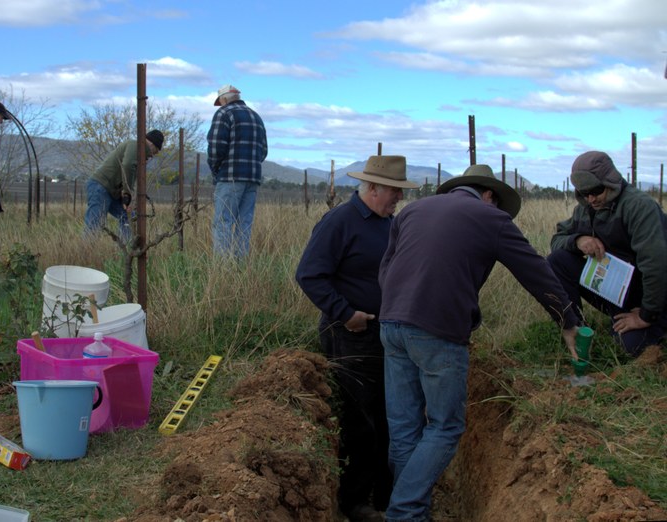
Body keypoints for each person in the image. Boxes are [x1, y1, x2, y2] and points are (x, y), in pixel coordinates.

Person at [378, 165, 581, 522]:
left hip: (391, 324)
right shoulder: (491, 218)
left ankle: (411, 508)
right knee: (445, 427)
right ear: (489, 195)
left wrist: (399, 305)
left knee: (405, 425)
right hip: (438, 331)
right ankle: (404, 511)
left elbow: (386, 269)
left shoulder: (413, 209)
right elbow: (535, 270)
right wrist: (567, 319)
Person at [296, 156, 418, 522]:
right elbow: (309, 275)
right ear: (373, 188)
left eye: (401, 190)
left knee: (387, 415)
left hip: (387, 335)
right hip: (353, 335)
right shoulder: (340, 222)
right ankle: (354, 502)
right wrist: (346, 314)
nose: (399, 196)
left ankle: (386, 494)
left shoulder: (390, 224)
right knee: (360, 419)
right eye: (395, 190)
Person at [548, 151, 667, 361]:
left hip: (656, 294)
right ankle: (577, 328)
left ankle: (655, 323)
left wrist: (645, 315)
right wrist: (578, 241)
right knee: (558, 260)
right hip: (618, 290)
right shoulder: (585, 210)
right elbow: (557, 240)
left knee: (626, 347)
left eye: (596, 190)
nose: (591, 198)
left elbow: (656, 266)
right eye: (584, 193)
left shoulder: (639, 207)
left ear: (610, 182)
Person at [207, 84, 267, 258]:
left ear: (224, 99)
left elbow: (216, 148)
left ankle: (223, 270)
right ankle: (240, 266)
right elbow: (263, 151)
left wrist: (216, 170)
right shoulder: (257, 117)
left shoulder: (224, 114)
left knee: (223, 221)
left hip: (229, 177)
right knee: (244, 223)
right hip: (253, 177)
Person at [84, 130, 164, 239]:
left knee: (128, 216)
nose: (154, 154)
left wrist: (130, 197)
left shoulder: (139, 153)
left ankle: (125, 251)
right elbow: (127, 165)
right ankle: (86, 253)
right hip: (101, 186)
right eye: (156, 150)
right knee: (94, 224)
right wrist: (127, 193)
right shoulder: (134, 145)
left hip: (112, 192)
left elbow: (130, 174)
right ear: (151, 143)